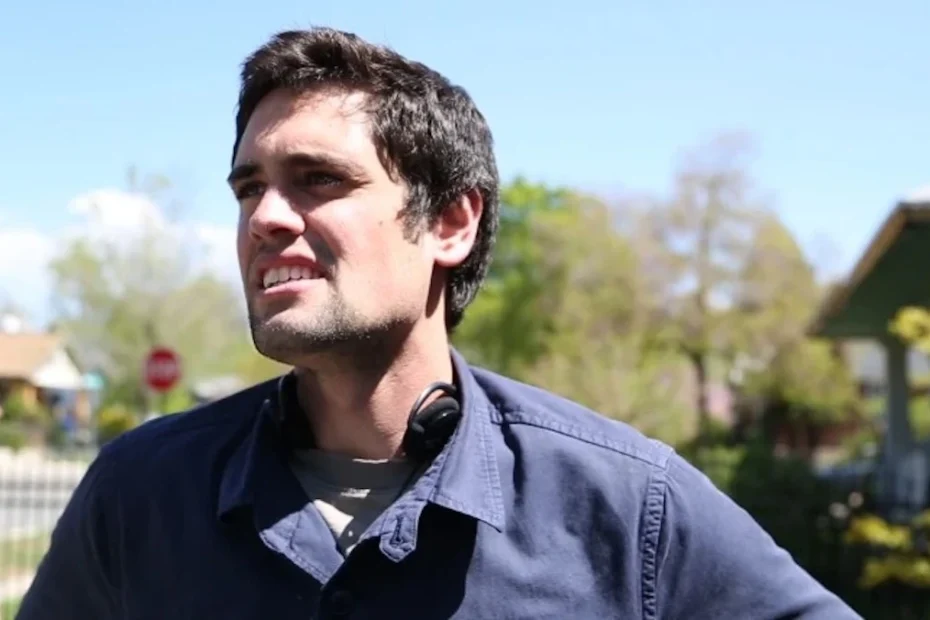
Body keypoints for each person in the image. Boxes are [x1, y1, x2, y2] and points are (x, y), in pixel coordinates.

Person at [17, 27, 861, 620]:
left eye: (318, 179)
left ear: (451, 223)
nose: (265, 217)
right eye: (249, 188)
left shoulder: (626, 506)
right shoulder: (139, 494)